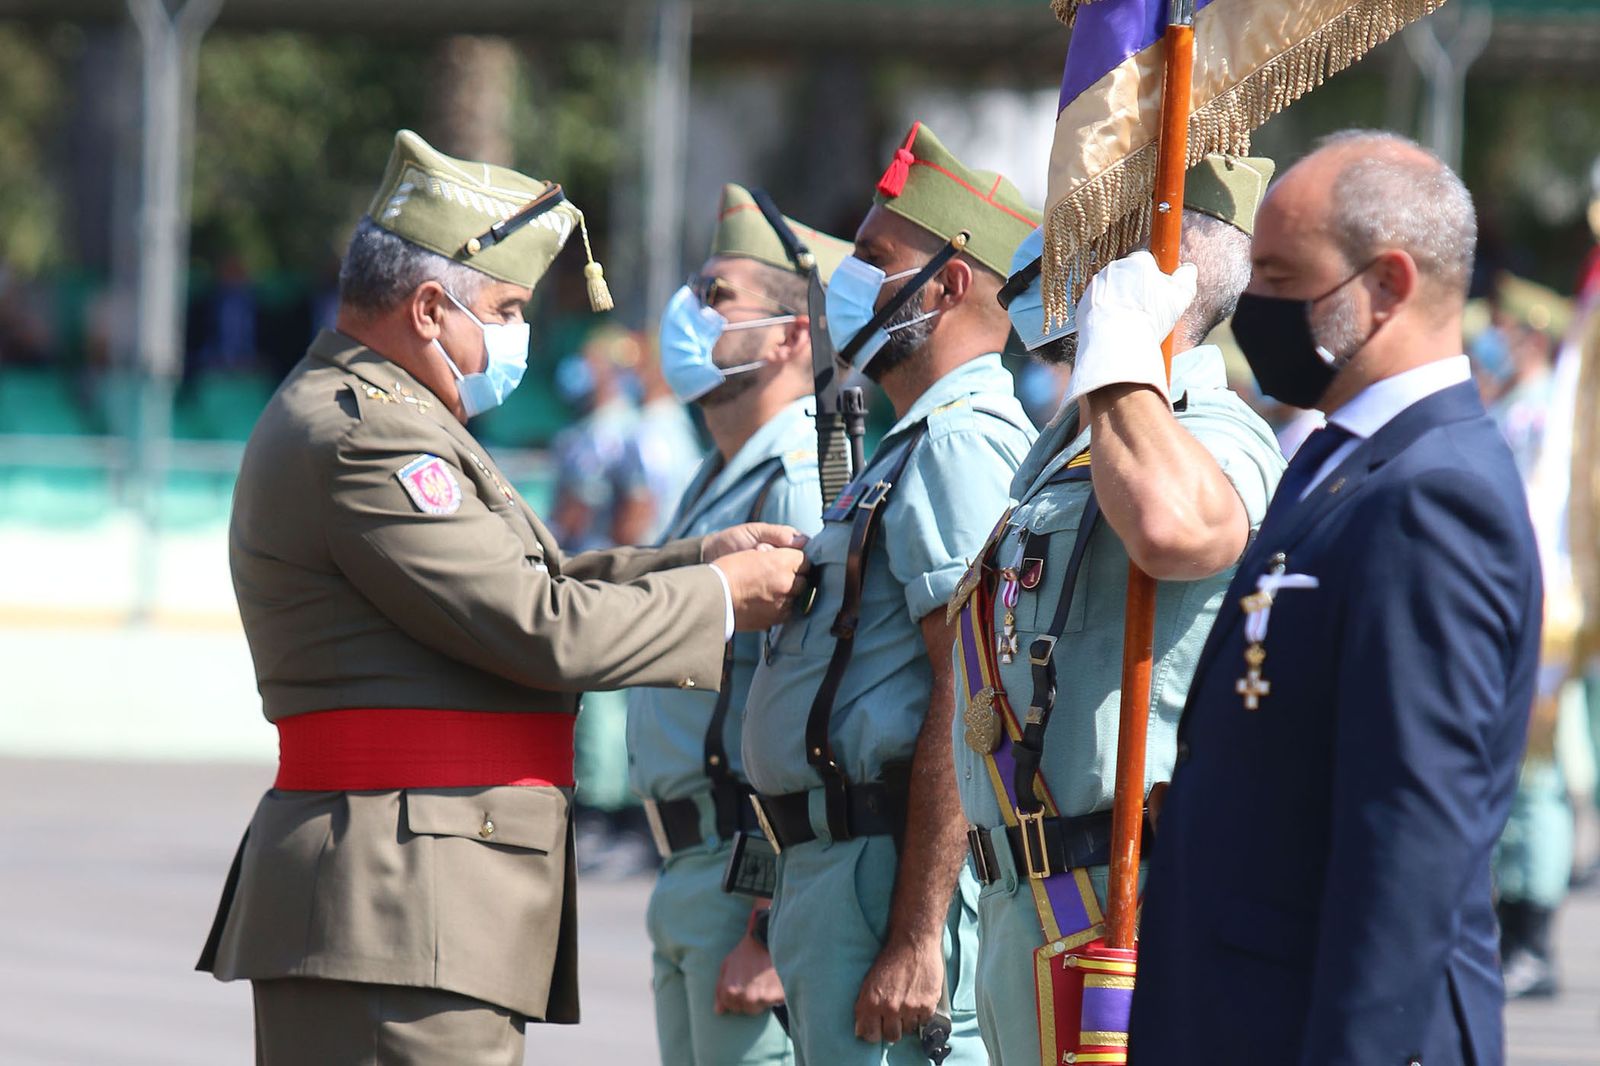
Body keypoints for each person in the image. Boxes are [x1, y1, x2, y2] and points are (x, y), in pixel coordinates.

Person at [195, 129, 809, 1065]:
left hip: (418, 899)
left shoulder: (382, 413)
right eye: (510, 307)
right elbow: (538, 626)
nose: (522, 333)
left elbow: (534, 582)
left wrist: (696, 559)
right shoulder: (370, 437)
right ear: (432, 308)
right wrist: (720, 597)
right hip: (399, 904)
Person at [1130, 130, 1543, 1066]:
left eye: (1279, 275)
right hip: (1244, 1013)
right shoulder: (1340, 459)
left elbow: (1409, 839)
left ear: (1387, 286)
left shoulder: (1435, 495)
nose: (1251, 304)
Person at [952, 155, 1284, 1066]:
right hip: (1025, 897)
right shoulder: (1073, 443)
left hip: (1120, 898)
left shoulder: (1214, 431)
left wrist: (1124, 349)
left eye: (1085, 247)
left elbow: (1179, 529)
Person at [741, 122, 1038, 1065]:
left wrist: (915, 938)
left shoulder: (958, 442)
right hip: (838, 870)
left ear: (948, 285)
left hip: (884, 876)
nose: (849, 280)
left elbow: (968, 694)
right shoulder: (913, 442)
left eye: (875, 259)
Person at [627, 182, 852, 1066]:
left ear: (792, 335)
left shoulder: (796, 479)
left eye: (716, 298)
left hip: (741, 880)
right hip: (686, 870)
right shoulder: (714, 478)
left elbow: (802, 711)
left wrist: (767, 919)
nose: (690, 314)